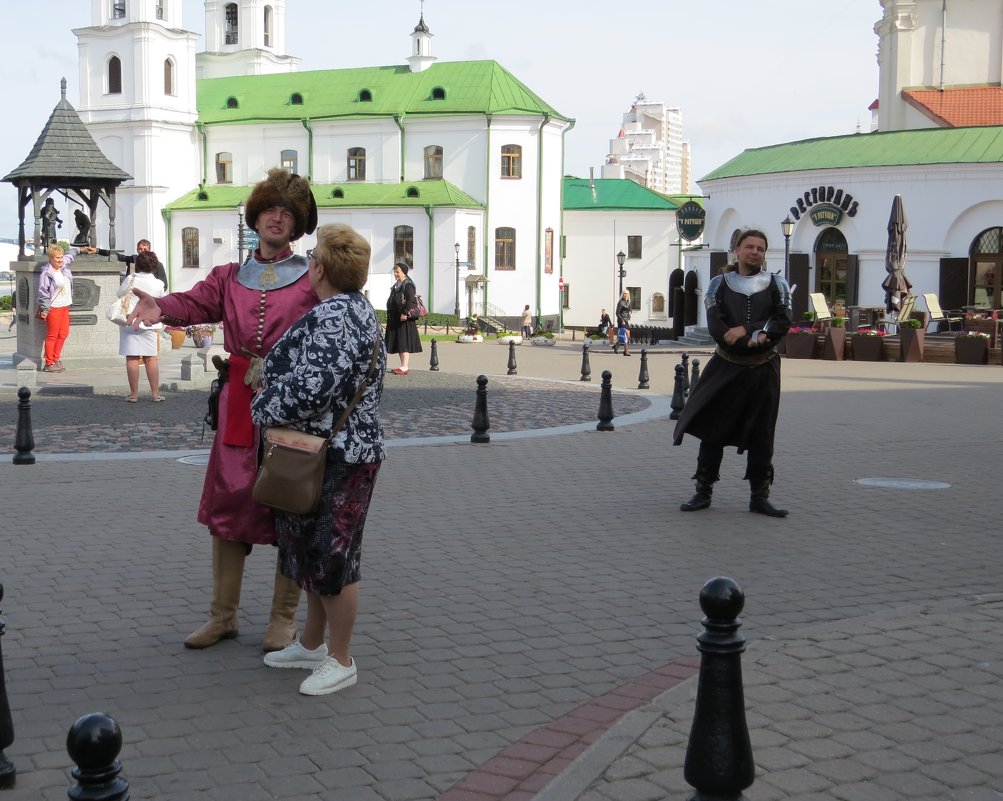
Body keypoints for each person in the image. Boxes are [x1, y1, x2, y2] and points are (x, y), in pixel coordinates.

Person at [128, 168, 319, 651]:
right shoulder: (227, 276)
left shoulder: (314, 279)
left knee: (290, 505)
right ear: (255, 217)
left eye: (288, 213)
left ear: (297, 225)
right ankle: (223, 616)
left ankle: (282, 619)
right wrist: (162, 308)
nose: (277, 218)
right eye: (270, 209)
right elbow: (194, 303)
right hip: (238, 406)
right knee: (230, 505)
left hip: (291, 409)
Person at [252, 223, 386, 696]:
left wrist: (262, 406)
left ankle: (341, 658)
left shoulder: (336, 317)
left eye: (311, 259)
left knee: (333, 559)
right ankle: (311, 644)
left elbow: (311, 391)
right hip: (333, 452)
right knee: (311, 552)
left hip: (337, 455)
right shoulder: (353, 310)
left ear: (321, 269)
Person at [672, 229, 793, 517]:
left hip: (764, 368)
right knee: (713, 430)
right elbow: (716, 324)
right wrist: (746, 340)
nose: (755, 252)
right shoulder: (718, 284)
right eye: (749, 246)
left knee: (762, 434)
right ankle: (703, 491)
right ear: (737, 250)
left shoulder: (777, 283)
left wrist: (751, 330)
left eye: (760, 248)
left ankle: (759, 497)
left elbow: (784, 319)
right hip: (726, 366)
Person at [118, 251, 166, 402]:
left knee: (132, 358)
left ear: (137, 264)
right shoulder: (159, 283)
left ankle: (134, 394)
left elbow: (119, 293)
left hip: (131, 321)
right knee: (151, 358)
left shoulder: (131, 279)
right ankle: (155, 393)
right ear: (154, 265)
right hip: (150, 323)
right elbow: (162, 300)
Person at [36, 244, 75, 372]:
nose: (60, 260)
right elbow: (43, 293)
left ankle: (56, 359)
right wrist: (45, 310)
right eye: (57, 258)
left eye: (61, 257)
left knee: (63, 334)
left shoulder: (63, 265)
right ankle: (49, 363)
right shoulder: (47, 273)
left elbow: (70, 255)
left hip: (64, 306)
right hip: (54, 307)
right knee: (52, 336)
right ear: (51, 258)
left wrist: (81, 249)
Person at [385, 261, 422, 375]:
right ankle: (402, 366)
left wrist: (404, 313)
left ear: (404, 273)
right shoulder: (397, 284)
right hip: (395, 318)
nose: (395, 274)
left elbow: (411, 300)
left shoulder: (408, 284)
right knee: (400, 342)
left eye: (398, 271)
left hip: (403, 319)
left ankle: (404, 367)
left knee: (403, 342)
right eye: (395, 271)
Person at [98, 239, 169, 287]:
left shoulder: (157, 265)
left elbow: (164, 285)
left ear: (149, 250)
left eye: (145, 249)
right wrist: (98, 251)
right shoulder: (133, 260)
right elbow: (117, 256)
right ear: (137, 249)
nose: (142, 251)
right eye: (140, 249)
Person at [614, 290, 632, 355]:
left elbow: (630, 309)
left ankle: (616, 346)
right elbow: (617, 313)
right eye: (625, 294)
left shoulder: (628, 302)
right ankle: (626, 351)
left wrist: (630, 312)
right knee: (625, 334)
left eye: (627, 294)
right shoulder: (620, 302)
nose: (626, 295)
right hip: (621, 321)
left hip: (626, 320)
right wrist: (622, 320)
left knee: (628, 335)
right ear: (623, 295)